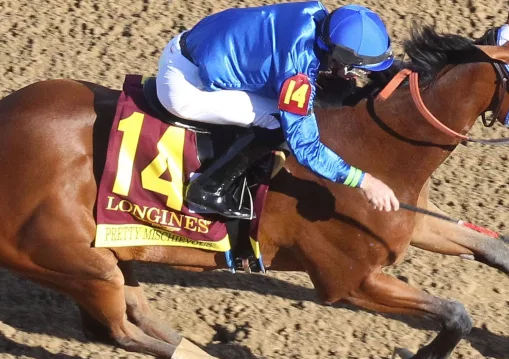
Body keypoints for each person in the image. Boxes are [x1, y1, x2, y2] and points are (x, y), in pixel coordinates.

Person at [155, 2, 402, 219]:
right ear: (342, 61)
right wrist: (365, 182)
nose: (361, 75)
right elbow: (306, 148)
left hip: (188, 43)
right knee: (278, 121)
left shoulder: (316, 14)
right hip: (184, 86)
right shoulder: (297, 75)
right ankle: (207, 189)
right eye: (359, 70)